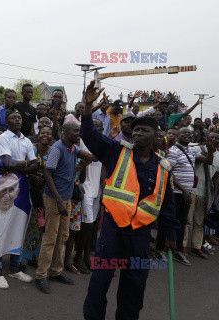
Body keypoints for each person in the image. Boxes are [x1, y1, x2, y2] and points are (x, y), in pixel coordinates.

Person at [81, 80, 179, 320]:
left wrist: (172, 236)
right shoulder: (117, 151)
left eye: (143, 130)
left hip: (140, 236)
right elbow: (90, 135)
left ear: (157, 135)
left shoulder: (163, 168)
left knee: (133, 288)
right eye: (135, 130)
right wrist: (87, 108)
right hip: (112, 232)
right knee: (99, 283)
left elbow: (167, 206)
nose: (137, 133)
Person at [34, 121, 95, 294]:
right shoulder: (57, 149)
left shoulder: (73, 149)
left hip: (66, 198)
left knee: (63, 236)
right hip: (55, 199)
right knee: (50, 237)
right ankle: (41, 275)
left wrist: (93, 153)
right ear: (65, 132)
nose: (78, 133)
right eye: (76, 131)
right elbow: (47, 173)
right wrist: (59, 201)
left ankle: (55, 271)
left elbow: (92, 157)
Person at [0, 109, 39, 289]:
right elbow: (6, 162)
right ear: (6, 121)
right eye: (13, 117)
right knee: (0, 227)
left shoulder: (26, 140)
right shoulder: (3, 138)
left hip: (23, 187)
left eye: (19, 117)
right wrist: (25, 164)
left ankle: (14, 269)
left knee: (18, 226)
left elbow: (35, 165)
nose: (18, 119)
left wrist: (20, 166)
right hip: (5, 186)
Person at [157, 128, 214, 266]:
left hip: (186, 194)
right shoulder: (174, 152)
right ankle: (159, 250)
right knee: (168, 221)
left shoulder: (192, 151)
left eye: (189, 133)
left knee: (182, 222)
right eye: (184, 133)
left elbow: (207, 161)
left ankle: (177, 251)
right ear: (177, 136)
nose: (187, 135)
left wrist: (211, 149)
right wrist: (183, 189)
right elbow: (169, 172)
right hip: (174, 193)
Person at [74, 119, 104, 274]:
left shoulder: (103, 144)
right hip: (84, 189)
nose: (95, 129)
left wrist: (103, 188)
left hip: (97, 191)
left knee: (91, 226)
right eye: (93, 126)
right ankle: (78, 257)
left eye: (98, 126)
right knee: (87, 226)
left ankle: (86, 257)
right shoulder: (82, 143)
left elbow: (103, 167)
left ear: (102, 128)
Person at [21, 125, 54, 267]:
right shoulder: (31, 148)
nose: (45, 135)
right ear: (38, 134)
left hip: (44, 194)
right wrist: (32, 176)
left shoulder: (53, 151)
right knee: (25, 224)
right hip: (27, 191)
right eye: (42, 133)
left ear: (52, 136)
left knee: (40, 225)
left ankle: (33, 254)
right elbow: (22, 167)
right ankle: (21, 257)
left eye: (48, 133)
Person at [183, 131, 219, 259]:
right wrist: (208, 150)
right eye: (212, 137)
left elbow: (216, 177)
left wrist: (214, 196)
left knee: (200, 222)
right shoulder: (197, 149)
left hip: (206, 193)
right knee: (187, 220)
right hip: (192, 189)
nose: (214, 139)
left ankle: (196, 246)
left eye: (216, 138)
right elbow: (204, 161)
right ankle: (182, 245)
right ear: (206, 139)